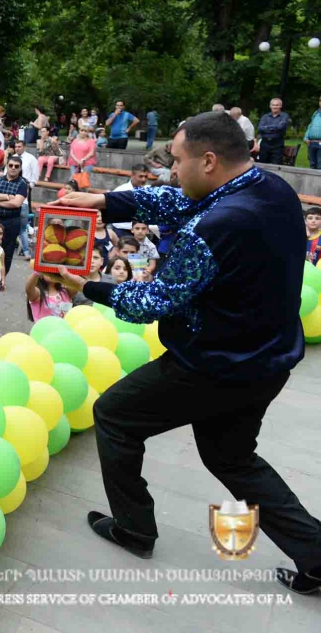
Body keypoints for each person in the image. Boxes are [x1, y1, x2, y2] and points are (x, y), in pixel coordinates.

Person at [52, 111, 321, 592]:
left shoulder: (214, 229)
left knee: (113, 415)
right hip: (268, 359)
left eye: (177, 161)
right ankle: (318, 556)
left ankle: (134, 527)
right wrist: (107, 200)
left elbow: (155, 301)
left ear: (210, 160)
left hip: (209, 366)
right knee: (233, 458)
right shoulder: (271, 188)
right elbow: (182, 201)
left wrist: (89, 288)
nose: (171, 172)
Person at [0, 155, 29, 274]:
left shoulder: (23, 184)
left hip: (11, 221)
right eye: (11, 165)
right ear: (7, 166)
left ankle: (1, 279)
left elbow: (16, 204)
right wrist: (7, 197)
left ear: (20, 168)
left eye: (16, 166)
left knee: (7, 251)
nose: (13, 168)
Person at [110, 164, 150, 237]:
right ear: (132, 176)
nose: (143, 179)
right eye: (140, 176)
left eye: (146, 176)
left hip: (142, 231)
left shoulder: (149, 191)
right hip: (122, 230)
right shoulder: (120, 191)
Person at [256, 98, 291, 165]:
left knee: (276, 165)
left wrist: (266, 127)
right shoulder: (265, 116)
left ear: (280, 106)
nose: (275, 107)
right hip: (265, 144)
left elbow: (281, 127)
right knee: (262, 165)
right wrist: (274, 128)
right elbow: (260, 128)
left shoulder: (284, 116)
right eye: (273, 105)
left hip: (277, 144)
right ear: (270, 106)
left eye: (277, 105)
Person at [304, 96, 321, 170]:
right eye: (320, 100)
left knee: (320, 164)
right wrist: (306, 137)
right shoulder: (316, 113)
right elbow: (310, 126)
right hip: (312, 143)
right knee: (312, 164)